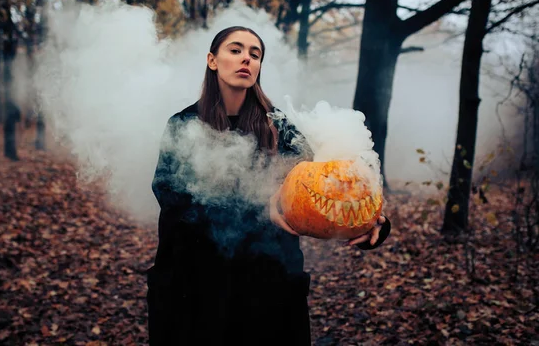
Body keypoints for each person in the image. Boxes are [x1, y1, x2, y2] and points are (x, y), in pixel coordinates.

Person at [146, 26, 390, 346]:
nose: (246, 58)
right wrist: (261, 209)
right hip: (195, 287)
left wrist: (370, 222)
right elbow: (172, 197)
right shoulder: (182, 124)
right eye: (235, 50)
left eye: (255, 54)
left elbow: (326, 184)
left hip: (269, 290)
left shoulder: (281, 127)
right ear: (212, 60)